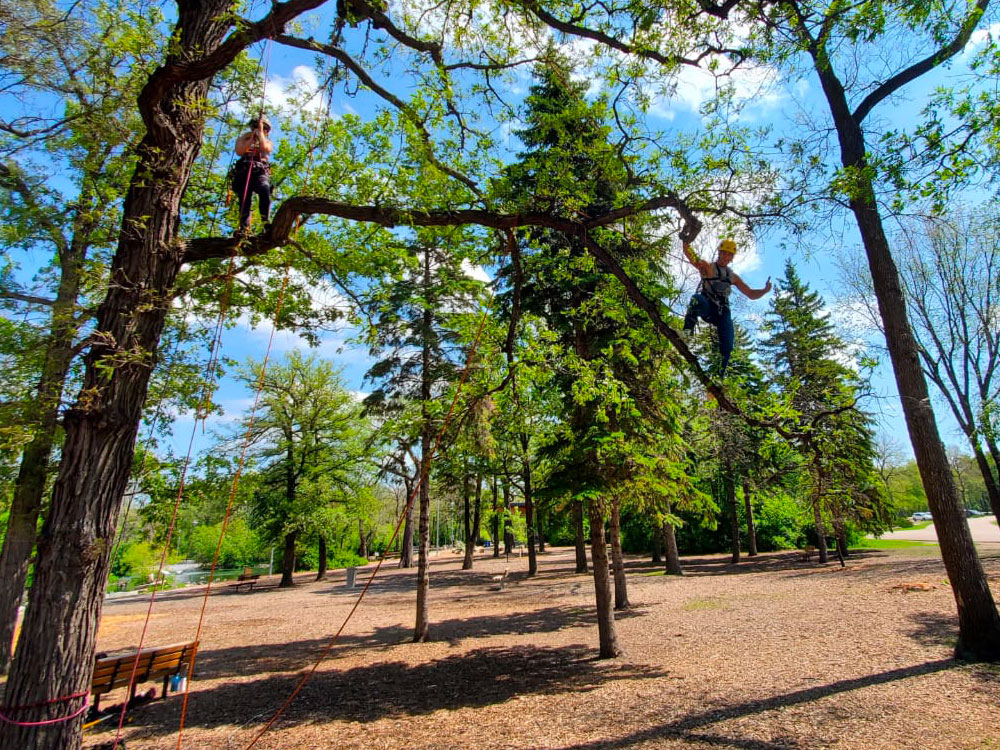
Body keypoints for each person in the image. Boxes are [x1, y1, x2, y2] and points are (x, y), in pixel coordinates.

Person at [681, 238, 772, 376]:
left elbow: (751, 294)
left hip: (723, 312)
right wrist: (685, 240)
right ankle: (687, 333)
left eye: (729, 255)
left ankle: (718, 377)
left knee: (728, 345)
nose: (726, 257)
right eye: (724, 253)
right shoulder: (708, 267)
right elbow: (691, 256)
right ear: (719, 253)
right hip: (708, 307)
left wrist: (765, 290)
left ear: (732, 258)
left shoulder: (733, 277)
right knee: (696, 299)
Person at [232, 116, 273, 236]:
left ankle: (265, 222)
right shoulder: (243, 139)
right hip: (244, 170)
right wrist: (250, 140)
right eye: (256, 127)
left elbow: (265, 148)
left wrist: (260, 136)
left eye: (263, 128)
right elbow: (240, 151)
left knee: (264, 189)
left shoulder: (267, 142)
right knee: (244, 198)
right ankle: (244, 228)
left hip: (260, 170)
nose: (259, 129)